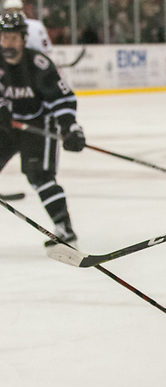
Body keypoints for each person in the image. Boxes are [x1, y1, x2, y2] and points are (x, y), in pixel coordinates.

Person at [0, 12, 86, 247]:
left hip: (38, 123)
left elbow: (62, 99)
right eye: (4, 37)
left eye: (13, 38)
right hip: (8, 126)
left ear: (23, 39)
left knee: (38, 175)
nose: (8, 43)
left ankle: (64, 228)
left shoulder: (39, 64)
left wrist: (71, 128)